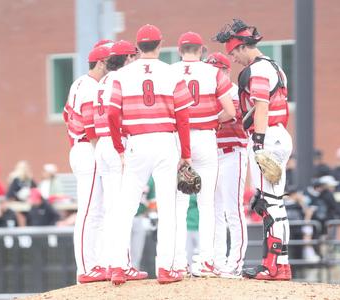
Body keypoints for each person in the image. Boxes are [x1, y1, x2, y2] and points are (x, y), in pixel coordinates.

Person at [107, 24, 193, 285]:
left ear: (137, 46)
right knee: (168, 207)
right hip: (165, 141)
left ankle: (119, 267)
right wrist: (186, 153)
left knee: (126, 207)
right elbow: (183, 117)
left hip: (136, 141)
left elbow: (112, 114)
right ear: (159, 44)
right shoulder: (171, 73)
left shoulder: (121, 75)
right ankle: (166, 269)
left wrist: (119, 147)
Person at [215, 18, 292, 280]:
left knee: (266, 203)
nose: (233, 57)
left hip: (267, 135)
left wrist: (258, 143)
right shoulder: (274, 66)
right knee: (276, 203)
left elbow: (261, 106)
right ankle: (281, 263)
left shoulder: (258, 70)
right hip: (279, 133)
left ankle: (271, 265)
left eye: (234, 51)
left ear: (243, 47)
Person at [172, 33, 236, 278]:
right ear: (201, 51)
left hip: (178, 138)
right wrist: (213, 121)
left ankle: (177, 261)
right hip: (206, 136)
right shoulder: (213, 73)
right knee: (206, 202)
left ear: (180, 49)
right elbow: (230, 111)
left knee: (177, 203)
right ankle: (207, 260)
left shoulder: (170, 71)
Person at [94, 40, 145, 281]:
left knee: (110, 209)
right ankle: (120, 265)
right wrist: (120, 147)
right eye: (132, 56)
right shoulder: (121, 79)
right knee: (121, 209)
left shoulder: (103, 80)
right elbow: (120, 115)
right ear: (126, 59)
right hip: (117, 144)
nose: (135, 60)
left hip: (102, 144)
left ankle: (108, 262)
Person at [62, 45, 109, 283]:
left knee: (95, 210)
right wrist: (100, 150)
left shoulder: (78, 83)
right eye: (109, 61)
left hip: (80, 147)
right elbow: (91, 129)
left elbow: (65, 114)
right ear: (100, 63)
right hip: (87, 148)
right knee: (90, 211)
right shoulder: (91, 87)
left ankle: (95, 263)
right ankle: (85, 268)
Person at [206, 52, 248, 278]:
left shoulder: (233, 91)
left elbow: (231, 113)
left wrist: (205, 116)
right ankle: (217, 260)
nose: (213, 73)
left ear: (225, 70)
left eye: (217, 69)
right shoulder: (207, 93)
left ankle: (235, 263)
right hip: (213, 156)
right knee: (214, 211)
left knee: (233, 210)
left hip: (233, 153)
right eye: (210, 69)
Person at [131, 177, 155, 270]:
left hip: (140, 216)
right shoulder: (127, 172)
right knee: (123, 250)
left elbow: (152, 201)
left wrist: (152, 216)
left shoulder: (150, 179)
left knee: (137, 251)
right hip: (124, 218)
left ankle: (134, 270)